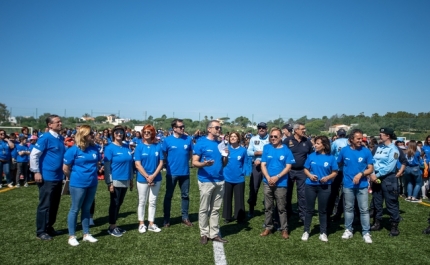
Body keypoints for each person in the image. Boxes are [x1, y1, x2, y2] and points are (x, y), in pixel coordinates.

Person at [192, 120, 229, 245]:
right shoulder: (201, 143)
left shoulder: (221, 143)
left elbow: (224, 163)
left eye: (220, 128)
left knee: (216, 209)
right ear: (209, 129)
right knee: (204, 208)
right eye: (217, 128)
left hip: (219, 180)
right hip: (206, 180)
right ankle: (204, 233)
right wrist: (204, 164)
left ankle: (214, 233)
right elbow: (194, 162)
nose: (219, 130)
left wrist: (226, 156)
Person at [63, 125, 100, 246]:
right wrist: (75, 177)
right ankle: (72, 236)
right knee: (75, 209)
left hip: (92, 183)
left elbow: (97, 163)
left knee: (87, 209)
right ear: (84, 135)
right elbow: (65, 168)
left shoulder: (94, 148)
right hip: (78, 184)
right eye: (90, 134)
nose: (93, 136)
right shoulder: (73, 150)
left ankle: (86, 234)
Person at [30, 115, 66, 240]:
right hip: (47, 176)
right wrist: (36, 171)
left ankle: (49, 227)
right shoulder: (45, 138)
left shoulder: (60, 138)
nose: (60, 123)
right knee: (45, 204)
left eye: (61, 121)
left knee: (54, 204)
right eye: (57, 122)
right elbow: (34, 155)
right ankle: (41, 231)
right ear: (50, 125)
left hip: (57, 176)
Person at [337, 129, 374, 244]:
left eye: (361, 138)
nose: (360, 140)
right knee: (348, 208)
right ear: (351, 140)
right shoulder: (344, 151)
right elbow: (339, 164)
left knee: (364, 209)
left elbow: (371, 168)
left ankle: (366, 232)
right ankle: (348, 230)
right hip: (348, 185)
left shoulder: (366, 151)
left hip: (362, 185)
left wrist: (361, 174)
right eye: (358, 138)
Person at [259, 127, 295, 239]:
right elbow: (263, 164)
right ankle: (268, 227)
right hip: (267, 182)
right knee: (268, 207)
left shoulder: (286, 150)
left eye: (275, 136)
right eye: (271, 136)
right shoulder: (266, 148)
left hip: (281, 183)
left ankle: (284, 229)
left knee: (281, 208)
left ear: (281, 137)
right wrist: (268, 177)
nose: (273, 138)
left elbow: (289, 166)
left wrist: (277, 177)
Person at [302, 136, 338, 242]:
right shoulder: (311, 156)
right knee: (309, 210)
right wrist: (310, 176)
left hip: (325, 187)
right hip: (310, 186)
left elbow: (335, 172)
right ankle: (306, 231)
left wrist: (327, 177)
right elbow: (305, 169)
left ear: (324, 145)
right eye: (315, 143)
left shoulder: (331, 158)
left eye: (317, 143)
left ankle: (323, 232)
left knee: (323, 210)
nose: (315, 145)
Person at [370, 127, 401, 237]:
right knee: (377, 201)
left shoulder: (394, 150)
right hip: (376, 177)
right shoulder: (378, 147)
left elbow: (389, 167)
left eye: (382, 134)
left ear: (388, 136)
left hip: (388, 178)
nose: (380, 136)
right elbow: (372, 161)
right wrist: (372, 173)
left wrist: (375, 175)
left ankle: (394, 226)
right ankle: (377, 222)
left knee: (391, 202)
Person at [162, 119, 194, 227]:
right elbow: (164, 155)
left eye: (183, 126)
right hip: (172, 173)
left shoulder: (188, 139)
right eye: (180, 127)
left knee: (185, 196)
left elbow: (190, 154)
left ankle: (185, 217)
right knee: (168, 196)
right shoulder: (167, 140)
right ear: (174, 128)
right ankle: (166, 219)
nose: (183, 128)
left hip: (185, 173)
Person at [104, 125, 134, 237]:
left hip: (126, 179)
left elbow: (130, 164)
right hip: (115, 179)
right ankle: (112, 226)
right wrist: (109, 182)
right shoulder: (109, 148)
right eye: (117, 132)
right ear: (113, 134)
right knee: (114, 203)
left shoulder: (127, 147)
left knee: (119, 203)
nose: (119, 134)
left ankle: (114, 225)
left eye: (121, 132)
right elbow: (107, 166)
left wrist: (131, 179)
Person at [134, 125, 164, 233]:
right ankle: (141, 223)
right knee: (142, 201)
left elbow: (161, 163)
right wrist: (147, 176)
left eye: (149, 132)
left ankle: (151, 223)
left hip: (156, 178)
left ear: (153, 134)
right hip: (142, 178)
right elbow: (137, 164)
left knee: (153, 201)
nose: (146, 133)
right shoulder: (139, 147)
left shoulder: (158, 146)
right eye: (145, 132)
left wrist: (153, 176)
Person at [282, 123, 313, 222]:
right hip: (289, 171)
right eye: (302, 129)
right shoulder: (287, 141)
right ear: (296, 130)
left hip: (302, 171)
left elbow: (311, 156)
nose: (304, 130)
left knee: (302, 194)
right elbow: (282, 155)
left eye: (304, 129)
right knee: (287, 193)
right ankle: (287, 213)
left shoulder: (307, 142)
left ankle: (302, 215)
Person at [246, 122, 270, 218]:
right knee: (254, 188)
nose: (261, 129)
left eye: (263, 127)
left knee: (268, 188)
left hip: (268, 166)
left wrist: (260, 157)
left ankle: (268, 209)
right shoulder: (253, 139)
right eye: (259, 127)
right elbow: (248, 152)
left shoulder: (271, 139)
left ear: (266, 129)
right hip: (256, 167)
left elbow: (271, 152)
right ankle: (251, 209)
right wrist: (258, 153)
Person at [222, 131, 247, 223]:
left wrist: (243, 172)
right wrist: (225, 155)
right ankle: (227, 217)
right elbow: (223, 162)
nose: (232, 138)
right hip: (227, 177)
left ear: (238, 138)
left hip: (239, 178)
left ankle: (239, 216)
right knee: (227, 197)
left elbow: (245, 163)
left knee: (239, 198)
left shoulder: (243, 150)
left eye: (235, 136)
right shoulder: (226, 149)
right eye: (231, 136)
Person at [328, 128, 349, 221]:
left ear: (337, 134)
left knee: (333, 192)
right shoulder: (349, 142)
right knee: (345, 193)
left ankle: (331, 212)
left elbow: (331, 154)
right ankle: (342, 211)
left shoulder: (335, 142)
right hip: (347, 170)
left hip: (337, 170)